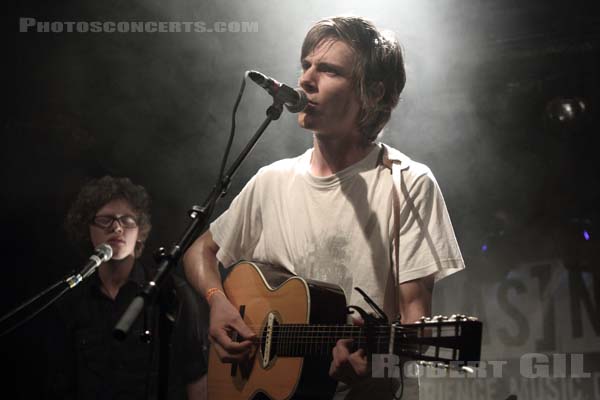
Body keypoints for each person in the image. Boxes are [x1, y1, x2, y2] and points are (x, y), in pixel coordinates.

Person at [183, 16, 466, 399]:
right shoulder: (272, 180)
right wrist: (218, 304)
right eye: (306, 66)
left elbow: (415, 321)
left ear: (374, 92)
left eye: (329, 70)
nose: (305, 80)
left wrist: (371, 367)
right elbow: (200, 250)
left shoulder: (408, 182)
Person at [46, 175, 207, 399]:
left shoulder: (171, 292)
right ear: (87, 228)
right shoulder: (71, 299)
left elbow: (197, 376)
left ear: (140, 230)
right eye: (106, 220)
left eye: (127, 220)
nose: (117, 228)